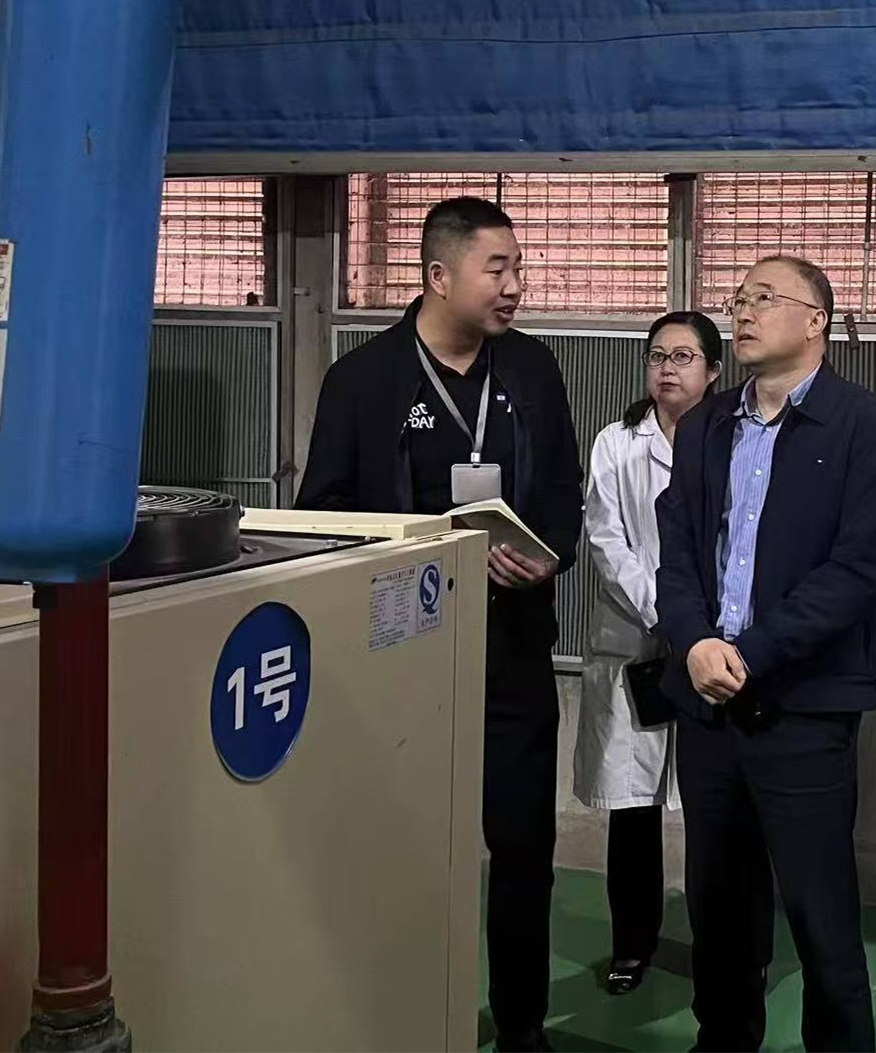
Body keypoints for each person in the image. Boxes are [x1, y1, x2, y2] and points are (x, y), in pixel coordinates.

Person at [296, 197, 582, 1053]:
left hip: (512, 651)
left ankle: (523, 1026)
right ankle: (401, 1017)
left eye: (518, 268)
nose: (515, 286)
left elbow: (562, 489)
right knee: (403, 849)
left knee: (523, 850)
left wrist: (549, 557)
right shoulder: (363, 380)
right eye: (498, 269)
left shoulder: (531, 369)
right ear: (438, 276)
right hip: (403, 656)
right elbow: (322, 514)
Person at [655, 255, 876, 1053]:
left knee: (819, 916)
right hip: (707, 705)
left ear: (815, 321)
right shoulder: (705, 425)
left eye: (764, 298)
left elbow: (857, 570)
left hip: (802, 708)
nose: (743, 311)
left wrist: (749, 653)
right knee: (718, 911)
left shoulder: (865, 425)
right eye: (738, 298)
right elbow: (676, 552)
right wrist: (695, 642)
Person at [574, 311, 723, 995]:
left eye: (683, 356)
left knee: (715, 808)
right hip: (634, 639)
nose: (667, 368)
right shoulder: (616, 442)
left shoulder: (732, 441)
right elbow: (606, 539)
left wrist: (695, 625)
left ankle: (723, 949)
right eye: (658, 355)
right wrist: (668, 613)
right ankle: (631, 945)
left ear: (713, 372)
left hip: (713, 646)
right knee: (633, 811)